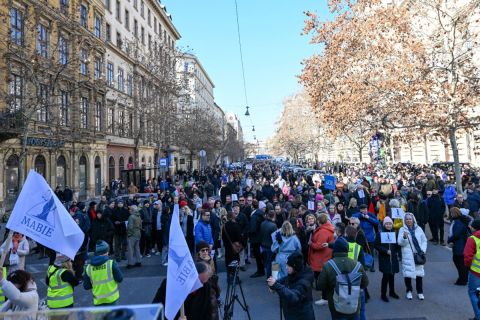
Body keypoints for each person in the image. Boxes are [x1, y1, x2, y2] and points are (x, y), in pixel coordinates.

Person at [317, 239, 369, 320]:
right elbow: (365, 283)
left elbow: (320, 285)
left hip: (336, 306)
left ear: (334, 250)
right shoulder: (357, 265)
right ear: (347, 249)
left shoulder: (328, 266)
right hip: (354, 305)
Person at [153, 261, 218, 320]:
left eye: (203, 282)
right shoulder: (169, 285)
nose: (200, 285)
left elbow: (212, 312)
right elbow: (156, 310)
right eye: (197, 281)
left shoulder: (207, 288)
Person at [267, 251, 315, 320]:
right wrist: (273, 284)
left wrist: (276, 285)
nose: (286, 267)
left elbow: (294, 297)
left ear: (295, 267)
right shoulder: (293, 273)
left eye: (288, 266)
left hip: (301, 315)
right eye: (286, 265)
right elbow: (283, 280)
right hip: (291, 313)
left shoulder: (304, 281)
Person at [397, 212, 427, 300]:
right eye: (407, 219)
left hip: (418, 254)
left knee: (419, 274)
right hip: (408, 255)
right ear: (404, 220)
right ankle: (409, 291)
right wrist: (404, 238)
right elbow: (400, 242)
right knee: (408, 274)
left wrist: (423, 250)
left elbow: (424, 240)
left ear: (413, 220)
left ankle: (420, 292)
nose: (409, 220)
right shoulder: (402, 230)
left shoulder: (419, 229)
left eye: (410, 219)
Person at [84, 240, 123, 306]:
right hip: (112, 301)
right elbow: (120, 279)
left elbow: (86, 286)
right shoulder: (111, 264)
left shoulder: (88, 267)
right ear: (106, 252)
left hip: (98, 302)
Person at [308, 214, 334, 306]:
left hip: (321, 258)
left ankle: (325, 298)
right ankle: (325, 296)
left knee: (322, 278)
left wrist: (311, 243)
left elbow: (320, 245)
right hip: (324, 256)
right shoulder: (327, 228)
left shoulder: (323, 231)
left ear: (319, 222)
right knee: (323, 277)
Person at [374, 217, 400, 302]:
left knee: (392, 276)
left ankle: (392, 292)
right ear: (384, 224)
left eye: (390, 224)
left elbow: (397, 245)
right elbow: (376, 245)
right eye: (387, 224)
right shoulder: (380, 233)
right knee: (385, 277)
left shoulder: (394, 233)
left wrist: (397, 251)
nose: (388, 225)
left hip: (393, 258)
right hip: (384, 258)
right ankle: (383, 294)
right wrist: (385, 251)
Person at [352, 204, 379, 272]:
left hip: (370, 238)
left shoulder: (370, 214)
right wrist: (361, 215)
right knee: (361, 252)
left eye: (365, 209)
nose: (364, 210)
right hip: (360, 238)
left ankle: (372, 266)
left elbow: (377, 222)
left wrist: (368, 218)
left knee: (370, 252)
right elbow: (352, 218)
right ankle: (362, 266)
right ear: (360, 210)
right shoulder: (357, 215)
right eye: (362, 209)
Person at [448, 207, 470, 286]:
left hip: (460, 245)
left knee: (459, 262)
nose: (450, 214)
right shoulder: (459, 221)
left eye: (451, 213)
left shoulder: (457, 222)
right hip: (461, 244)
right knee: (460, 262)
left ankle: (462, 280)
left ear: (454, 213)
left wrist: (449, 240)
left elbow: (456, 234)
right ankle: (463, 278)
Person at [464, 219, 480, 320]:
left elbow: (467, 256)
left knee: (473, 293)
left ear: (474, 227)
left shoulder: (472, 239)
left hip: (476, 272)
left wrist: (467, 266)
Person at [222, 212, 243, 283]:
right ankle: (234, 279)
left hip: (227, 249)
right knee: (235, 262)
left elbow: (223, 238)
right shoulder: (236, 226)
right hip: (234, 249)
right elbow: (239, 237)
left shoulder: (224, 226)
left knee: (228, 263)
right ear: (233, 217)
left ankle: (229, 277)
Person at [261, 210, 278, 277]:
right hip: (271, 247)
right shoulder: (273, 225)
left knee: (267, 262)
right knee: (274, 262)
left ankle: (269, 277)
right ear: (274, 216)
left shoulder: (263, 223)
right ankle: (273, 277)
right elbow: (275, 239)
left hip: (264, 246)